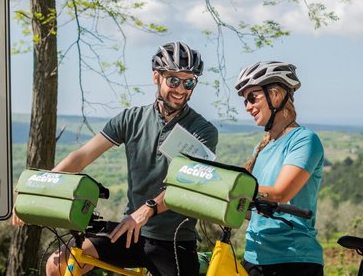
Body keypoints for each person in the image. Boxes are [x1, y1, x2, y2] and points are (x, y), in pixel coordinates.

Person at [14, 41, 218, 276]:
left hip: (173, 239)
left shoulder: (202, 130)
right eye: (174, 80)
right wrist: (36, 193)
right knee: (59, 264)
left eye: (189, 82)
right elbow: (81, 157)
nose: (181, 89)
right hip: (130, 230)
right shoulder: (131, 119)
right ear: (156, 77)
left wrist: (147, 210)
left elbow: (188, 184)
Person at [235, 61, 324, 276]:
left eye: (251, 97)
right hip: (254, 258)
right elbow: (255, 211)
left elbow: (281, 193)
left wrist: (232, 187)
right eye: (245, 100)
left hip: (293, 260)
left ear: (275, 95)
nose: (247, 106)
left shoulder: (304, 140)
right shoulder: (261, 147)